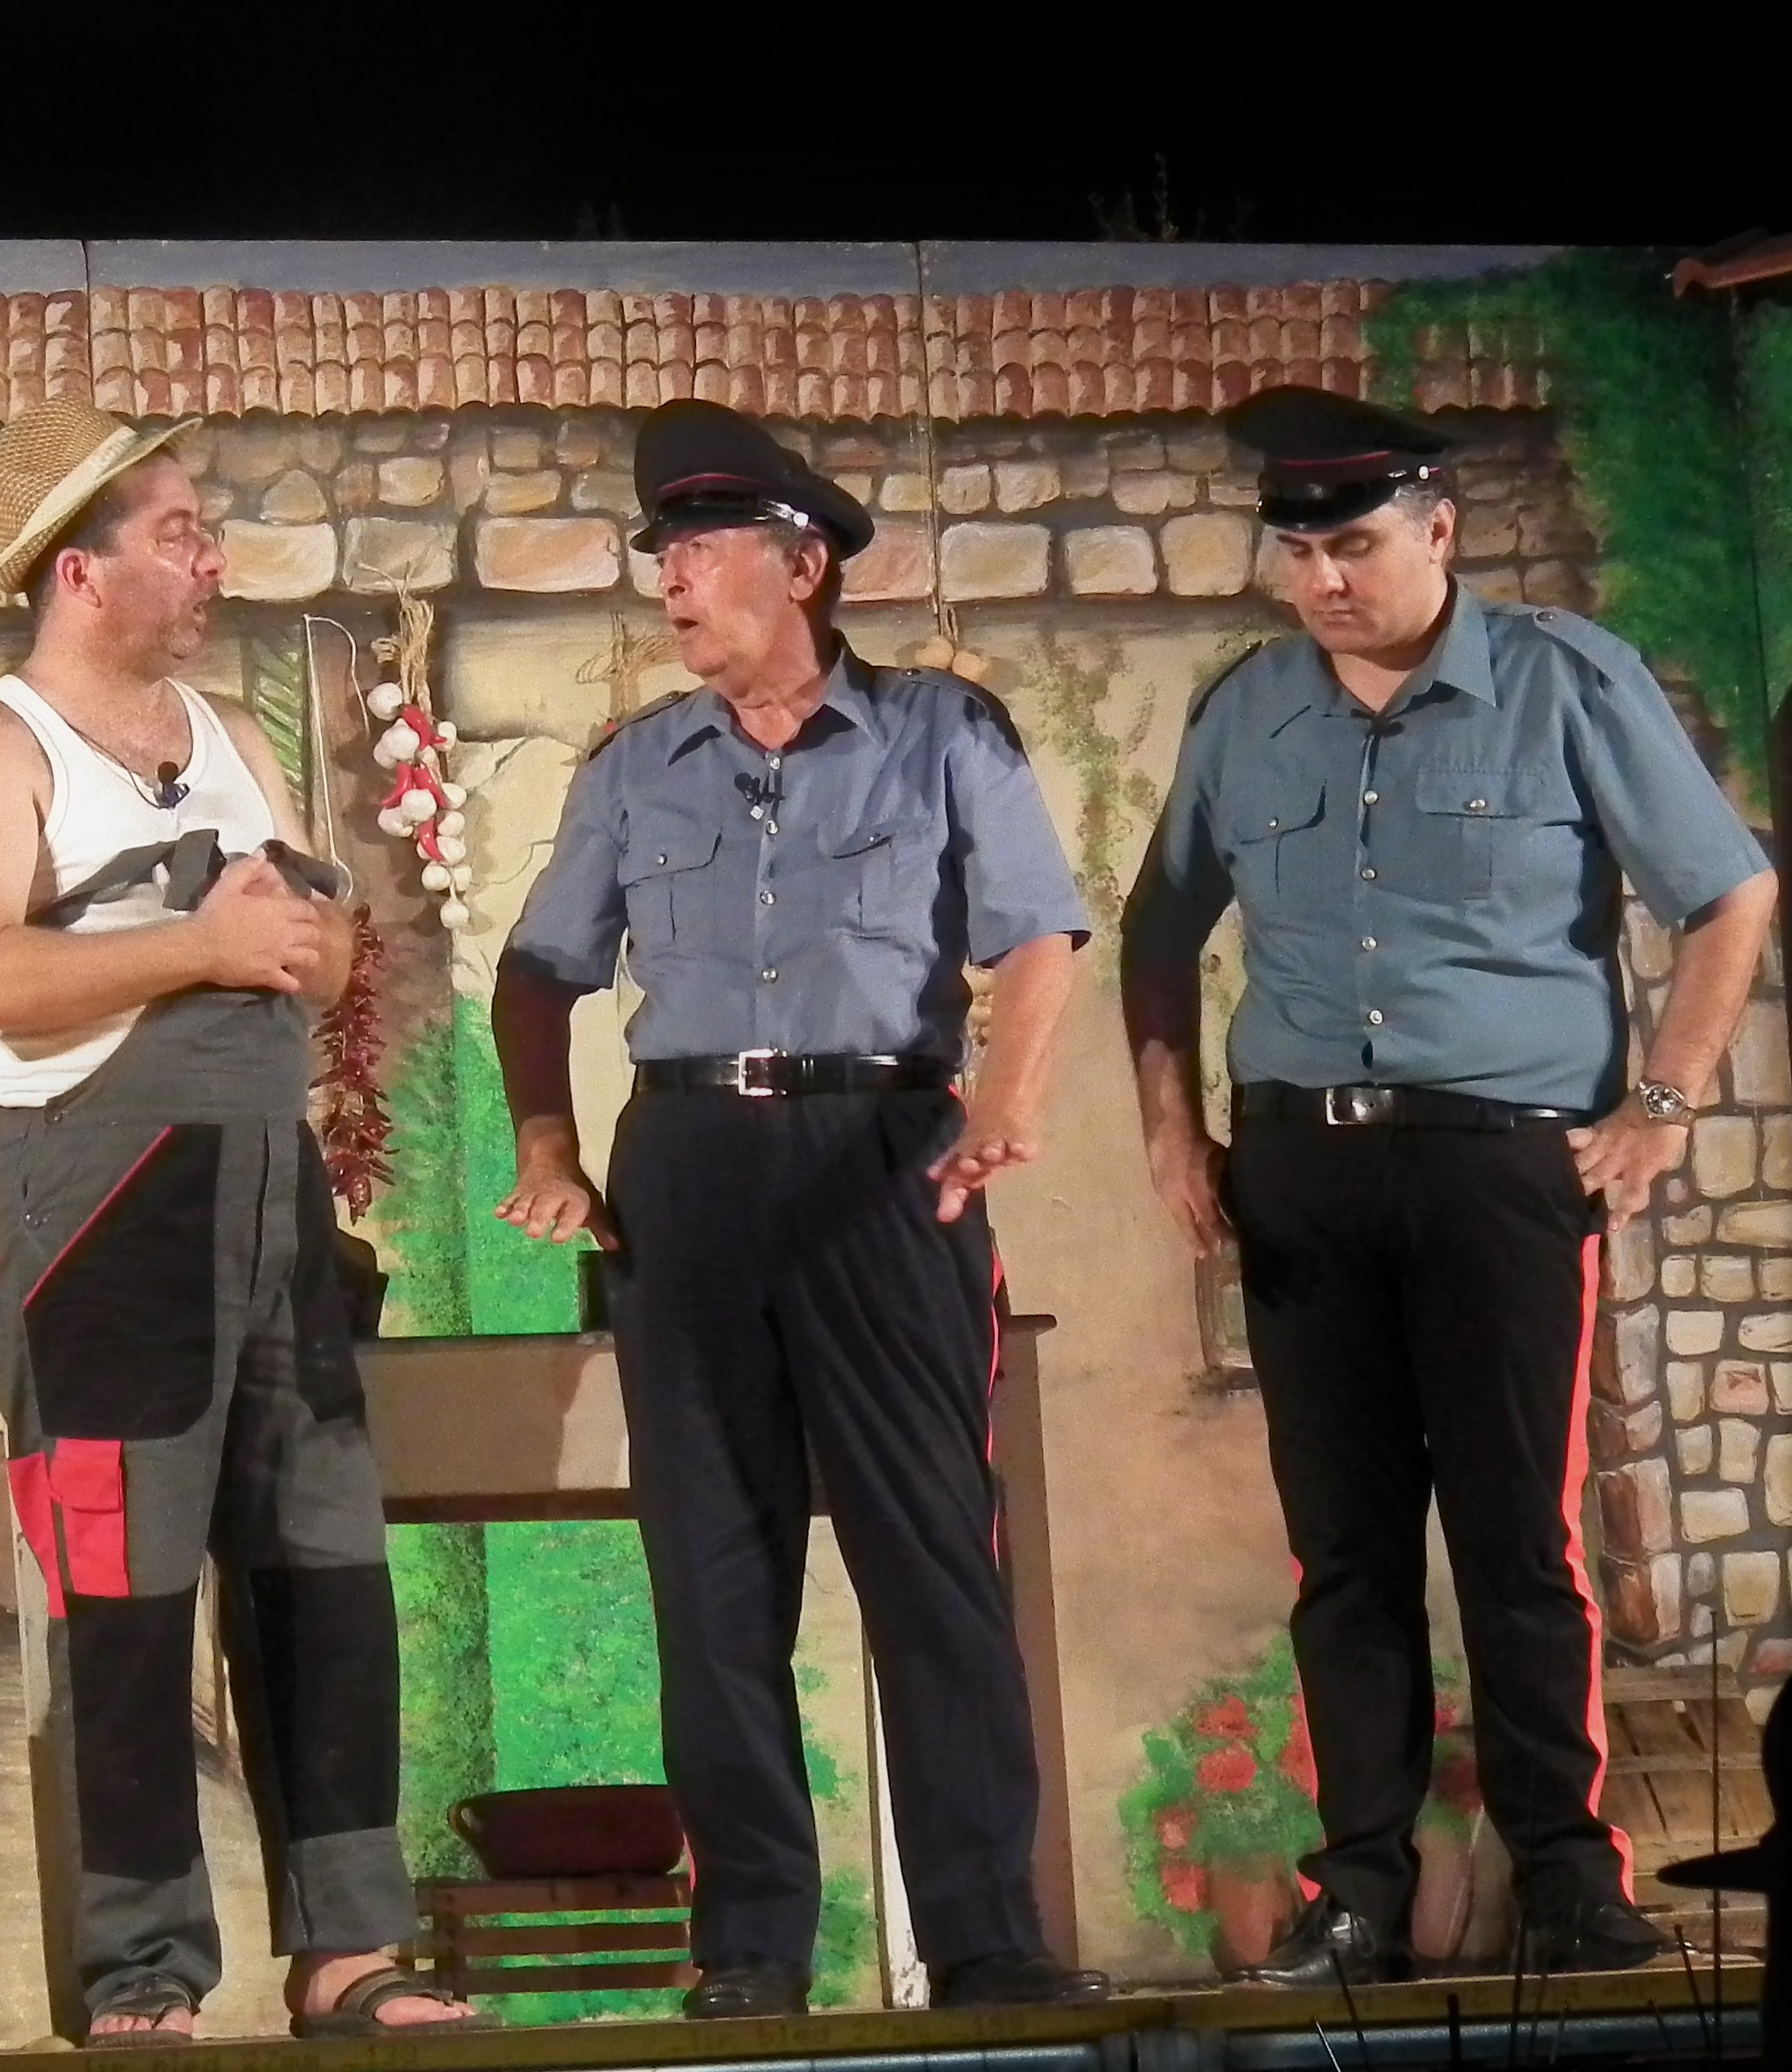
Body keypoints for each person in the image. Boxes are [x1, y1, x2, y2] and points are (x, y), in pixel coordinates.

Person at [1121, 385, 1778, 1984]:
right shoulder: (1246, 710)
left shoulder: (1562, 679)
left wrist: (1662, 1106)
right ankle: (1359, 1890)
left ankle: (1566, 1876)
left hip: (1497, 1161)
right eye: (1298, 553)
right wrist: (1169, 1128)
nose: (1323, 580)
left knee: (1514, 1536)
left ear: (1438, 527)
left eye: (1352, 545)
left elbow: (1728, 891)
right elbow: (1156, 929)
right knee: (1342, 1551)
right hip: (1300, 1167)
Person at [491, 398, 1106, 2014]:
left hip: (883, 1157)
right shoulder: (635, 767)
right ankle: (750, 1943)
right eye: (663, 556)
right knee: (712, 1572)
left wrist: (1006, 1097)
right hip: (687, 1171)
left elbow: (1039, 934)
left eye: (701, 550)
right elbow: (538, 970)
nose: (673, 583)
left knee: (931, 1556)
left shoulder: (940, 733)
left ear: (801, 564)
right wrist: (549, 1141)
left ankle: (984, 1935)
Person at [0, 399, 476, 2046]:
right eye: (178, 533)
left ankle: (348, 1949)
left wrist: (314, 947)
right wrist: (205, 947)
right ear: (79, 570)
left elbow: (317, 941)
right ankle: (142, 1973)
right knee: (124, 1597)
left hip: (267, 1194)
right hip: (101, 1205)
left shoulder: (229, 734)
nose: (212, 558)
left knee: (324, 1571)